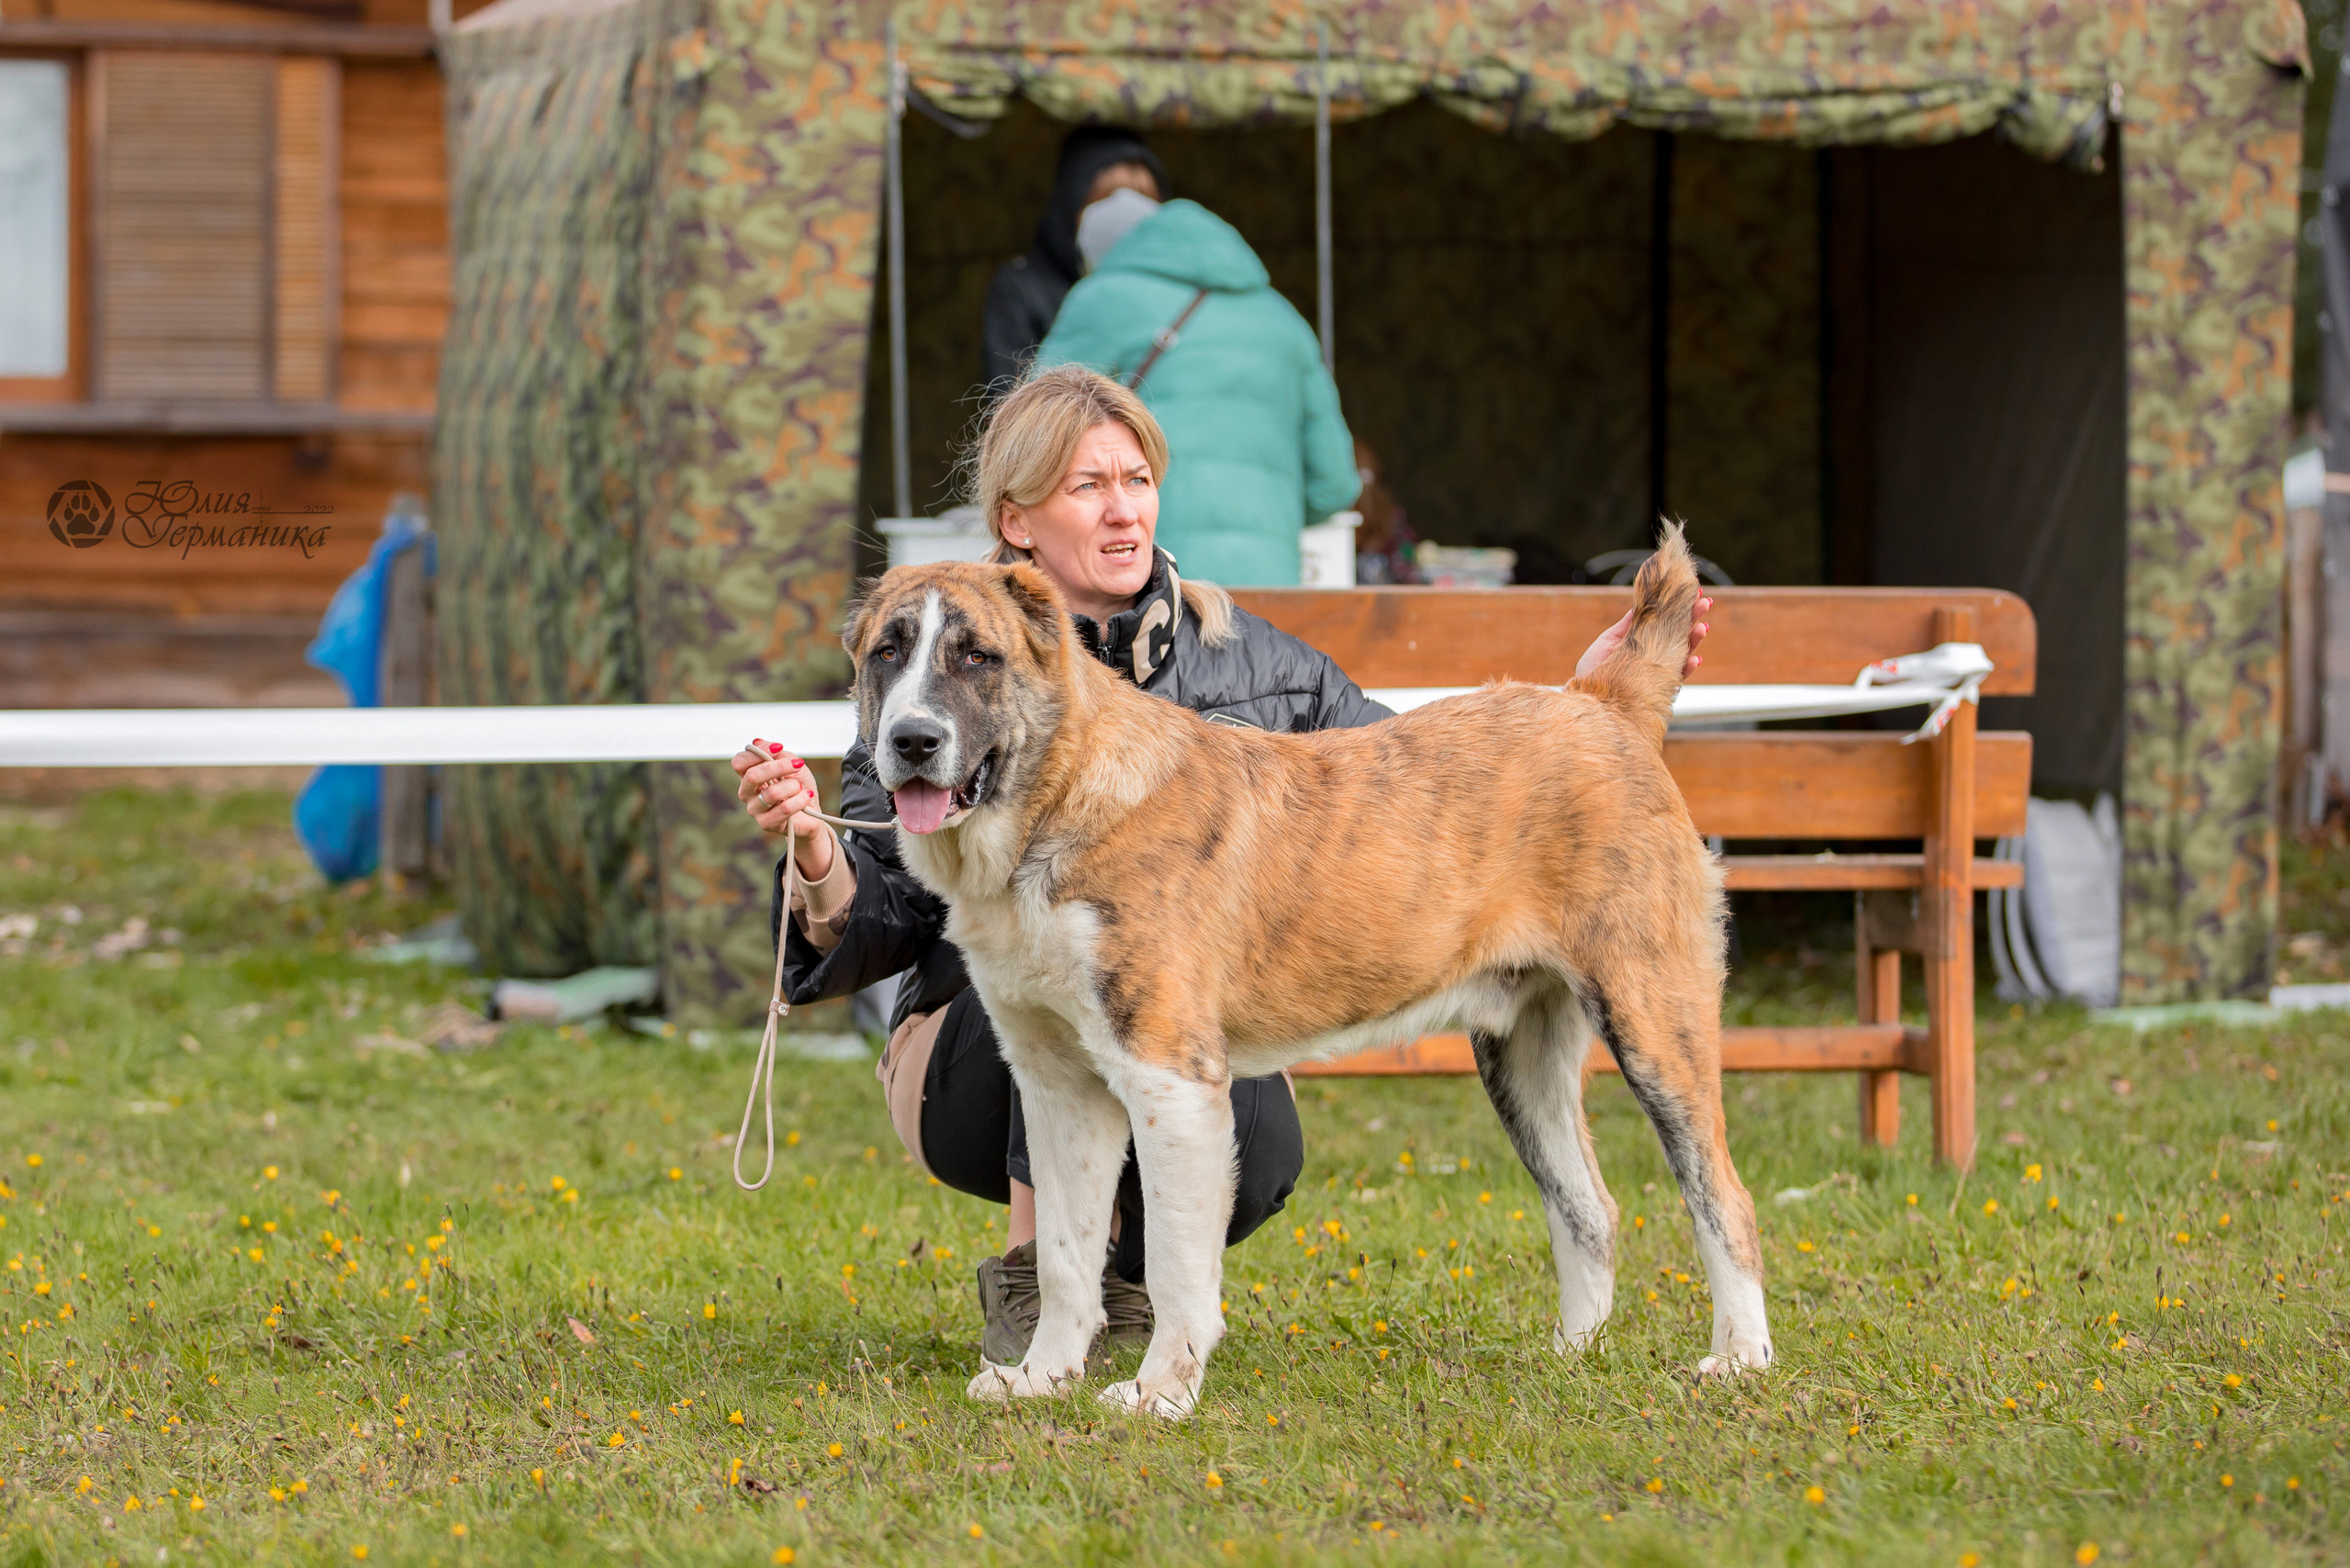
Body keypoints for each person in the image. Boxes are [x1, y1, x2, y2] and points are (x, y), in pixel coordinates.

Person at [731, 365, 1707, 1366]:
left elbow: (1411, 790)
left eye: (1137, 480)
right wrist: (816, 853)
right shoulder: (923, 678)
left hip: (1184, 1028)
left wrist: (1581, 716)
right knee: (1049, 967)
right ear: (1016, 520)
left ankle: (1138, 1292)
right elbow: (880, 913)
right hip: (967, 1061)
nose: (1122, 511)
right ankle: (1043, 1288)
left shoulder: (1251, 659)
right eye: (1088, 486)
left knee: (1205, 1079)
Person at [1033, 196, 1358, 588]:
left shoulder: (1100, 300)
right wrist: (1265, 520)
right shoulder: (1284, 319)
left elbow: (1030, 444)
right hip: (1269, 584)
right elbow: (1334, 486)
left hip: (1148, 583)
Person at [981, 127, 1169, 390]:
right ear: (1072, 205)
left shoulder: (1170, 292)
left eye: (1143, 202)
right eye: (1107, 201)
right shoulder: (1022, 289)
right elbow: (1009, 395)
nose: (1125, 221)